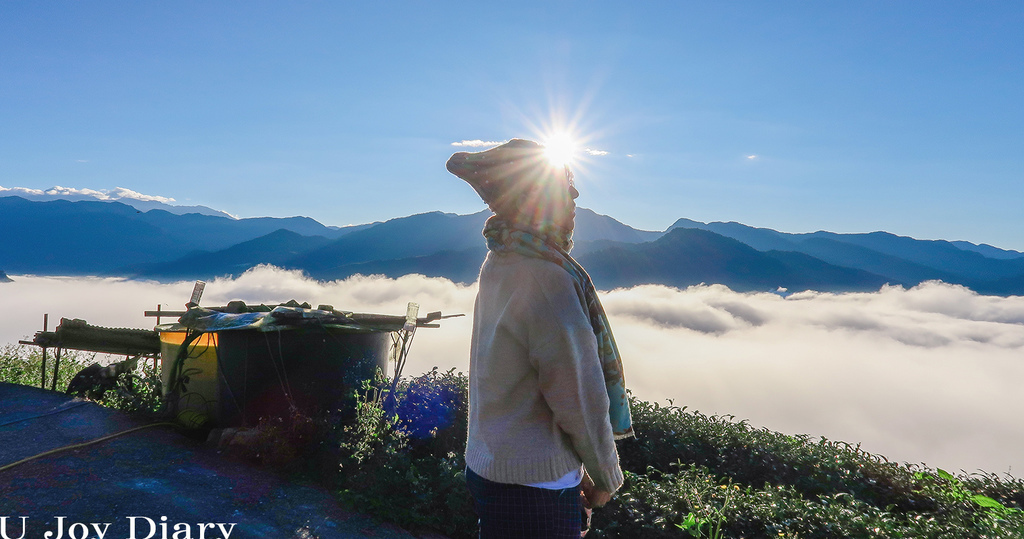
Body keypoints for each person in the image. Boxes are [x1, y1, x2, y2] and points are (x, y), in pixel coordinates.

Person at [446, 139, 633, 538]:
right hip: (536, 486)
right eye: (565, 185)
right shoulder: (548, 277)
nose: (576, 195)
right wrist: (605, 476)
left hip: (489, 464)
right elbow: (578, 396)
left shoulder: (501, 257)